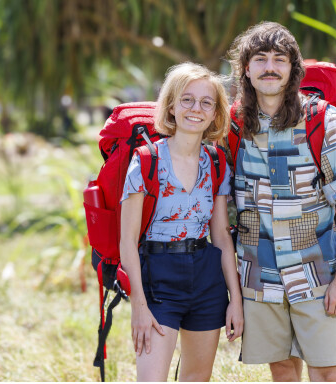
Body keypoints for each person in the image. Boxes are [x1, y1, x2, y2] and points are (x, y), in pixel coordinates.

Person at [227, 22, 336, 381]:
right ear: (246, 68)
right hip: (258, 274)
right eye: (260, 58)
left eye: (279, 59)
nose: (269, 67)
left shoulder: (324, 121)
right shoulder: (233, 125)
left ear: (293, 69)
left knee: (325, 368)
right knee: (283, 367)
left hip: (317, 271)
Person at [119, 62, 243, 382]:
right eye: (187, 99)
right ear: (171, 106)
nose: (196, 109)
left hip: (206, 277)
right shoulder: (146, 161)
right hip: (159, 276)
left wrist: (236, 301)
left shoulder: (216, 162)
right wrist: (138, 306)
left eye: (206, 102)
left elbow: (221, 237)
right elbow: (127, 241)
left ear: (216, 113)